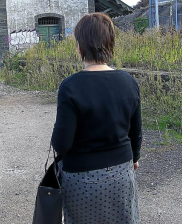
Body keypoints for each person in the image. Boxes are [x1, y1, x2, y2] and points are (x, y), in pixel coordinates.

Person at [51, 12, 142, 224]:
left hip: (81, 178)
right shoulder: (129, 82)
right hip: (122, 172)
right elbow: (135, 131)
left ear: (80, 47)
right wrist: (134, 158)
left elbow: (61, 144)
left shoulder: (70, 87)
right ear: (110, 44)